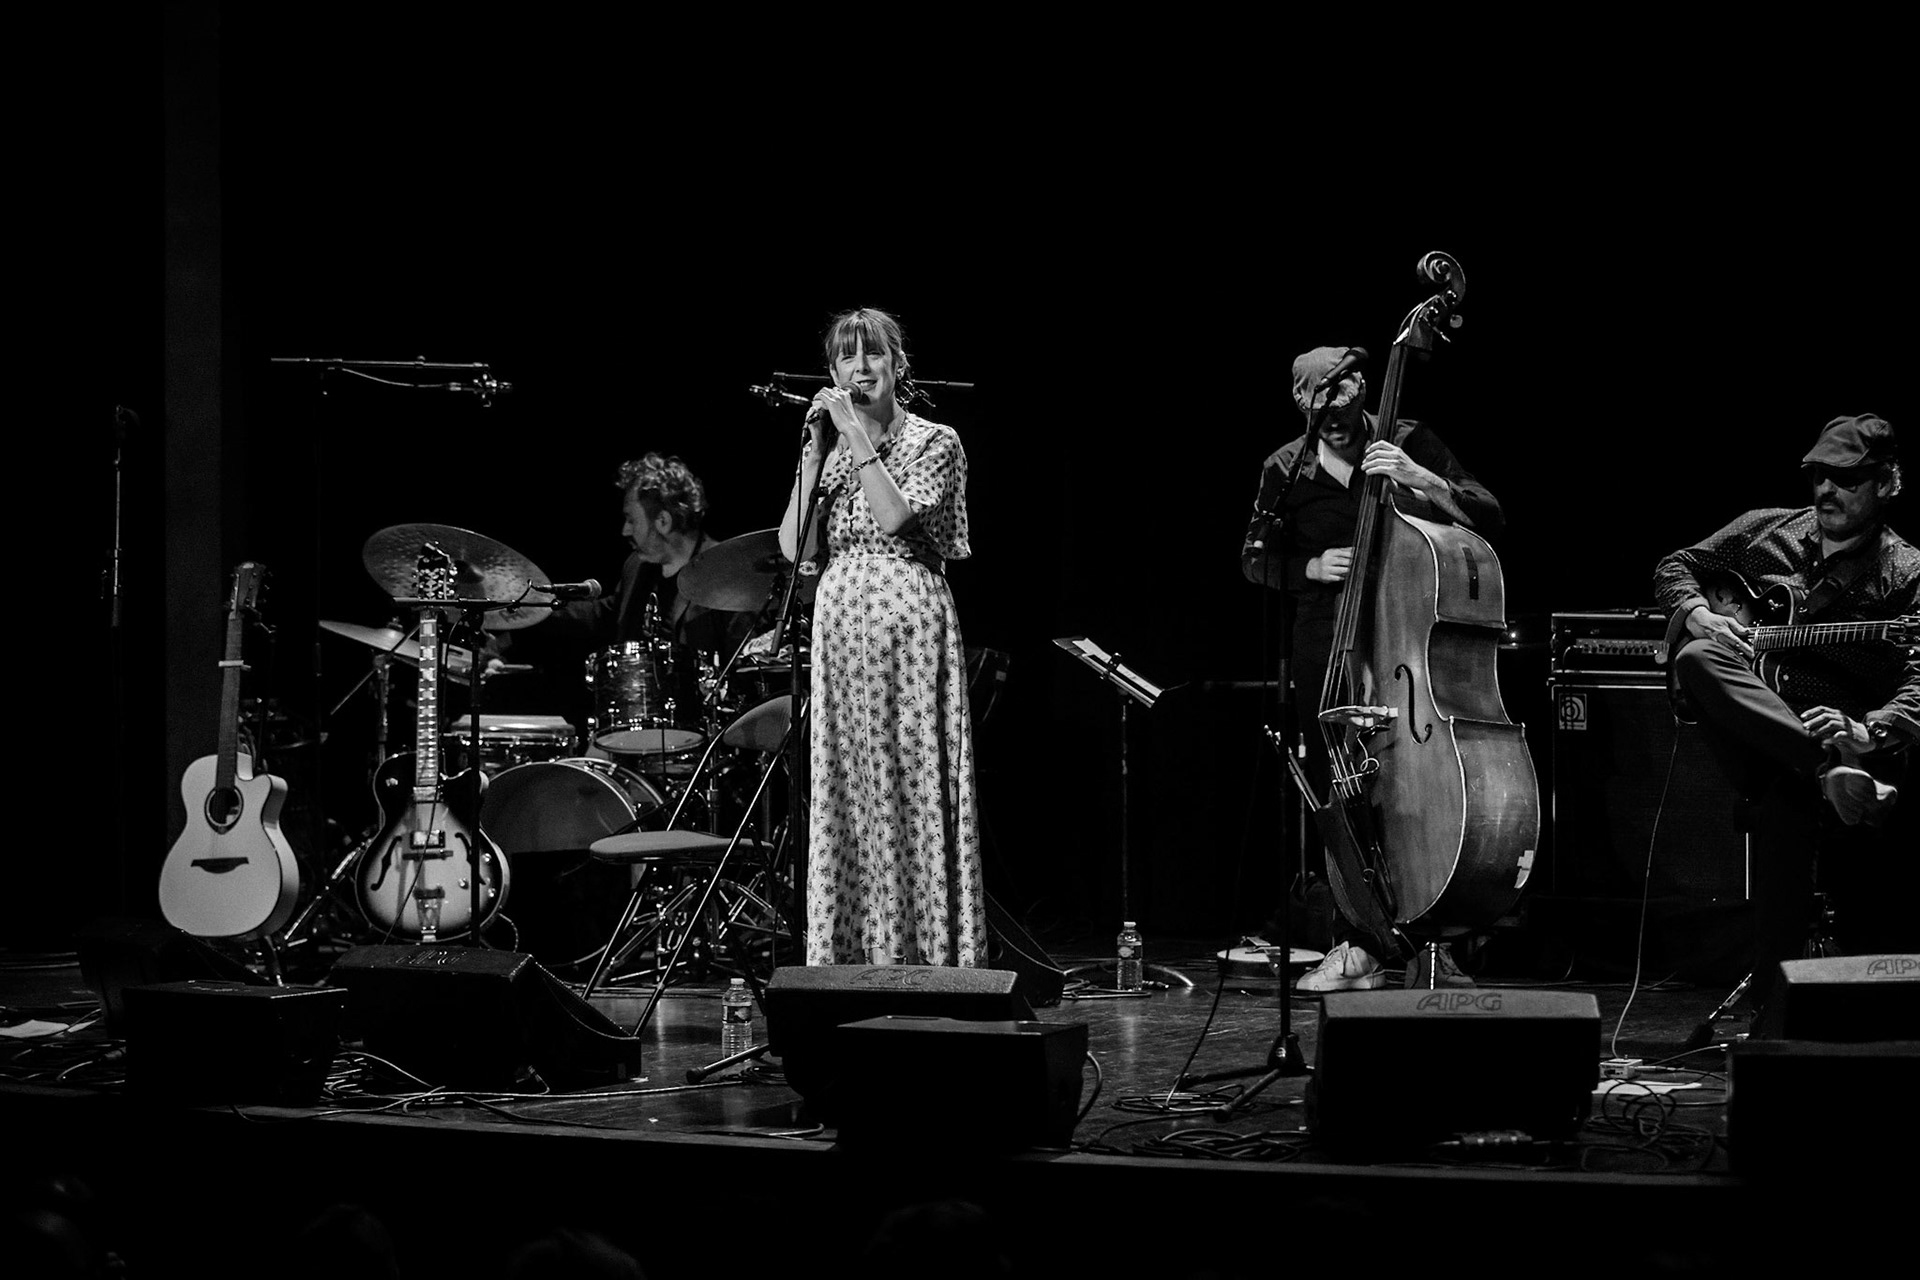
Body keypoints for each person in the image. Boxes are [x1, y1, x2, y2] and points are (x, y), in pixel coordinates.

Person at [1240, 344, 1507, 992]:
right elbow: (1253, 557)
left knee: (1419, 788)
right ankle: (1356, 940)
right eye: (1316, 396)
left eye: (1342, 390)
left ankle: (1436, 939)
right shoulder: (1286, 467)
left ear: (1363, 385)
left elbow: (1489, 513)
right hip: (1326, 647)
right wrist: (1303, 568)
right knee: (1344, 795)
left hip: (1403, 639)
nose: (1332, 407)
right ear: (1301, 403)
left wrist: (1419, 477)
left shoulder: (1408, 437)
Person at [1653, 412, 1917, 988]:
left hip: (1847, 742)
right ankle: (1826, 772)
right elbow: (1676, 566)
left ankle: (1777, 1015)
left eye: (1846, 478)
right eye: (1818, 474)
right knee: (1697, 658)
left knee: (1783, 799)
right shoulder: (1764, 530)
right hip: (1770, 730)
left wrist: (1869, 730)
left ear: (1887, 483)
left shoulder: (1906, 571)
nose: (1826, 489)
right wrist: (1698, 613)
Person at [778, 307, 985, 966]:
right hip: (843, 639)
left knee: (912, 786)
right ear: (833, 371)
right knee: (852, 793)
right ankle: (855, 956)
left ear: (898, 366)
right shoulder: (831, 450)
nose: (859, 369)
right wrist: (815, 452)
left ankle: (927, 959)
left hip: (910, 633)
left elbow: (895, 518)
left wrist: (855, 441)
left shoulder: (934, 440)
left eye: (872, 356)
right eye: (846, 358)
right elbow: (793, 547)